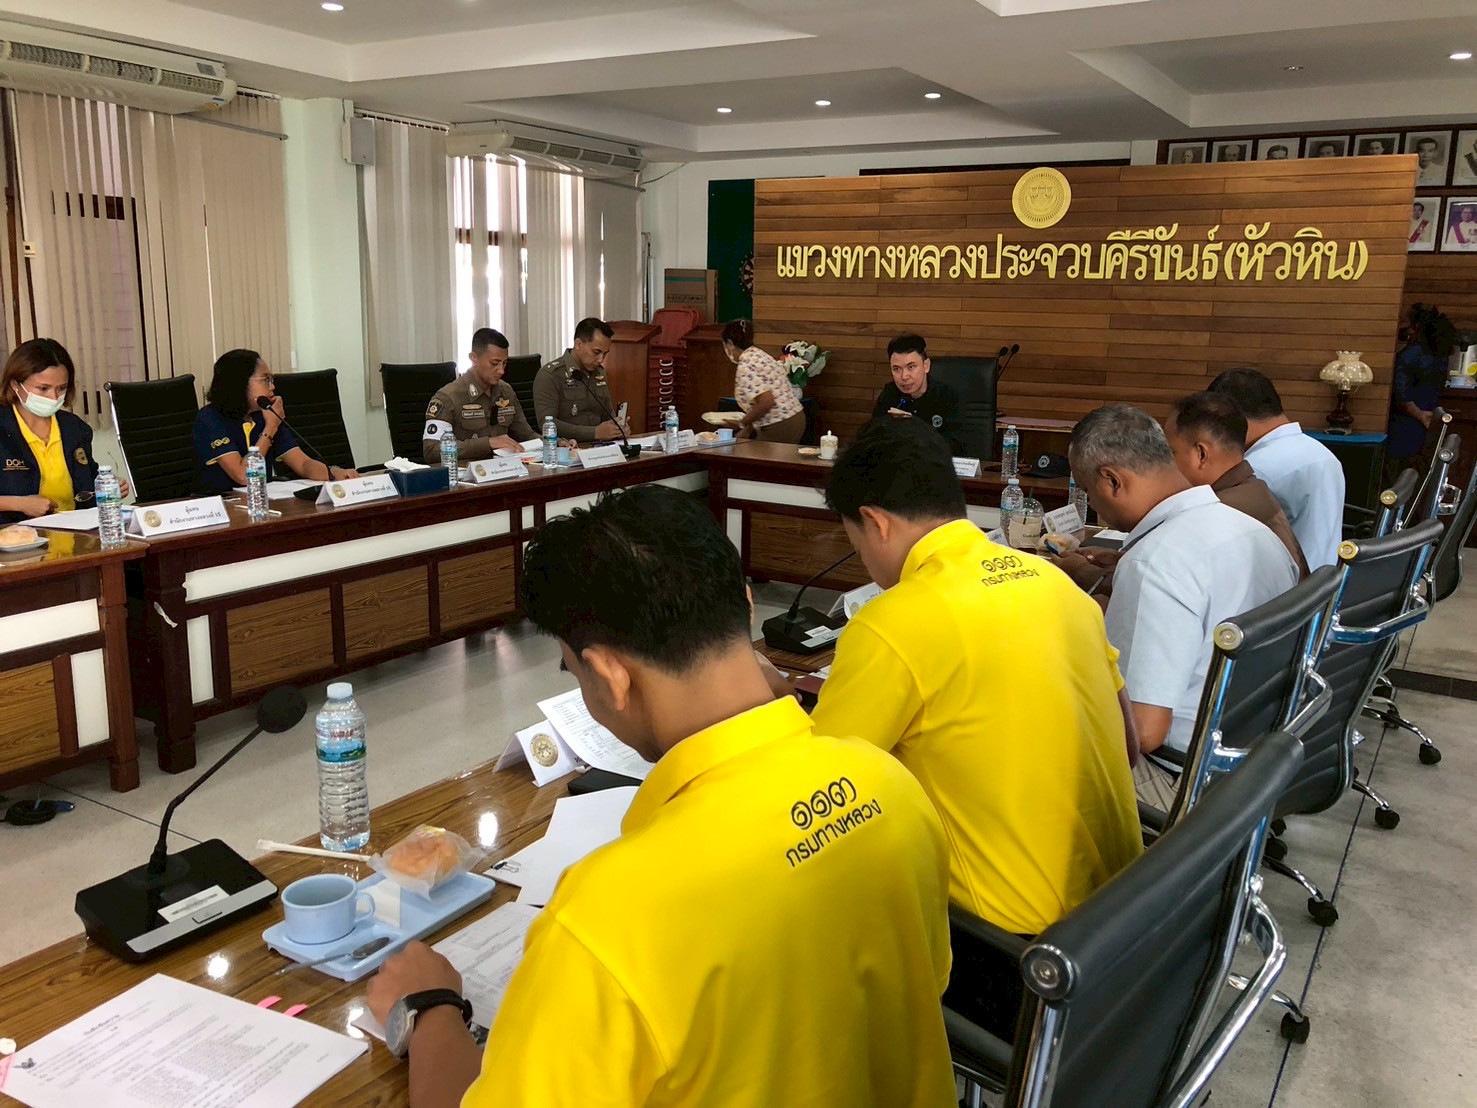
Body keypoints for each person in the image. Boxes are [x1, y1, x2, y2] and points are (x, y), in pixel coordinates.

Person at [367, 484, 957, 1107]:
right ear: (746, 605)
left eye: (576, 671)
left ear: (610, 675)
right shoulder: (891, 784)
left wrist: (430, 1006)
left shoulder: (608, 916)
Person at [813, 418, 1142, 942]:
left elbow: (818, 795)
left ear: (875, 522)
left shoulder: (892, 621)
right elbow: (1128, 746)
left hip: (1005, 943)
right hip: (1123, 914)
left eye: (856, 543)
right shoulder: (1056, 584)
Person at [1070, 404, 1298, 807]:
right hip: (1256, 762)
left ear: (1112, 480)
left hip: (1183, 783)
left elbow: (1142, 733)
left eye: (1089, 491)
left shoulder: (1154, 563)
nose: (1094, 504)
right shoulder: (1253, 531)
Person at [1208, 367, 1345, 571]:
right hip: (1327, 579)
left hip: (1288, 584)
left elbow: (1216, 539)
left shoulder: (1255, 470)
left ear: (1231, 419)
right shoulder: (1322, 452)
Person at [1164, 391, 1309, 578]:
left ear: (1201, 454)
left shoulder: (1216, 512)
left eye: (1171, 452)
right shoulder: (1253, 490)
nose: (1165, 463)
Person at [0, 338, 129, 525]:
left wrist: (108, 489)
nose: (53, 397)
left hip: (76, 531)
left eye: (61, 388)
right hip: (16, 535)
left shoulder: (74, 428)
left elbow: (87, 487)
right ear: (15, 385)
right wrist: (20, 504)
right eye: (43, 388)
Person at [193, 349, 357, 494]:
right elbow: (243, 476)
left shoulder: (262, 415)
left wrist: (333, 472)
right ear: (240, 383)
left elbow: (302, 463)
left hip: (263, 501)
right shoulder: (210, 418)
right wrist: (270, 428)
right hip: (224, 506)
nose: (272, 387)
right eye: (265, 379)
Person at [422, 328, 537, 464]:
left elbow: (526, 434)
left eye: (505, 363)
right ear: (474, 358)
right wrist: (488, 443)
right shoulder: (448, 397)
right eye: (494, 363)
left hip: (504, 468)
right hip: (466, 473)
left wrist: (553, 442)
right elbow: (432, 450)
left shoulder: (506, 391)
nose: (501, 371)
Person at [1385, 304, 1456, 485]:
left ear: (1415, 327)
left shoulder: (1410, 354)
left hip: (1404, 422)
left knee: (1395, 475)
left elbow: (1401, 392)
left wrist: (1418, 414)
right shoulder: (1440, 353)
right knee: (1415, 474)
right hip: (1427, 421)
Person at [532, 317, 625, 443]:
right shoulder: (550, 375)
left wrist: (617, 429)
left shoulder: (600, 373)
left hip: (601, 447)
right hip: (568, 447)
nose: (601, 359)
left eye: (605, 353)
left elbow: (607, 415)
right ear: (578, 344)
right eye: (596, 352)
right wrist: (594, 433)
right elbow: (547, 424)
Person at [870, 333, 964, 453]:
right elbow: (872, 438)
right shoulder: (890, 394)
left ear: (926, 366)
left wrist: (915, 428)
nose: (904, 376)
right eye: (896, 369)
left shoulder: (948, 396)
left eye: (911, 367)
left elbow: (955, 446)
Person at [721, 319, 805, 443]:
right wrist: (747, 430)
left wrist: (742, 424)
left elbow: (766, 402)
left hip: (779, 424)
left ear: (730, 343)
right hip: (794, 417)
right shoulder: (759, 354)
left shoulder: (746, 364)